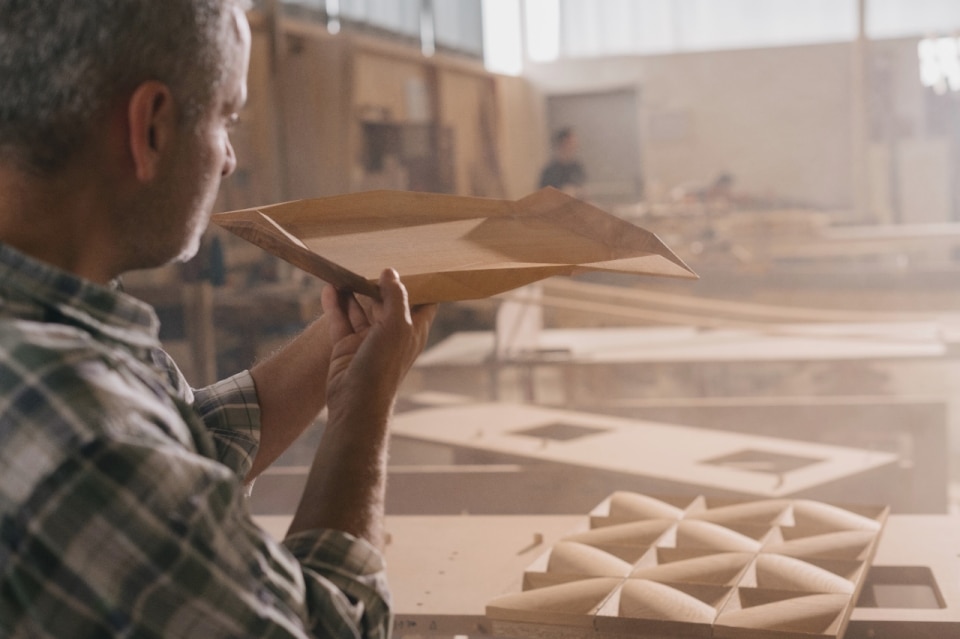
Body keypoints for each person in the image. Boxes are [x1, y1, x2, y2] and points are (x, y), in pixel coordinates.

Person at [0, 1, 436, 637]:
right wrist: (363, 407)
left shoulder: (57, 329)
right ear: (151, 127)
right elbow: (328, 628)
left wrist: (351, 342)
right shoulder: (81, 428)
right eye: (226, 119)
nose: (229, 158)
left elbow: (184, 445)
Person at [538, 126, 587, 198]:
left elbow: (583, 187)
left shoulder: (577, 167)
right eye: (571, 143)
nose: (575, 146)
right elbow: (541, 197)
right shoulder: (549, 171)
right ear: (562, 144)